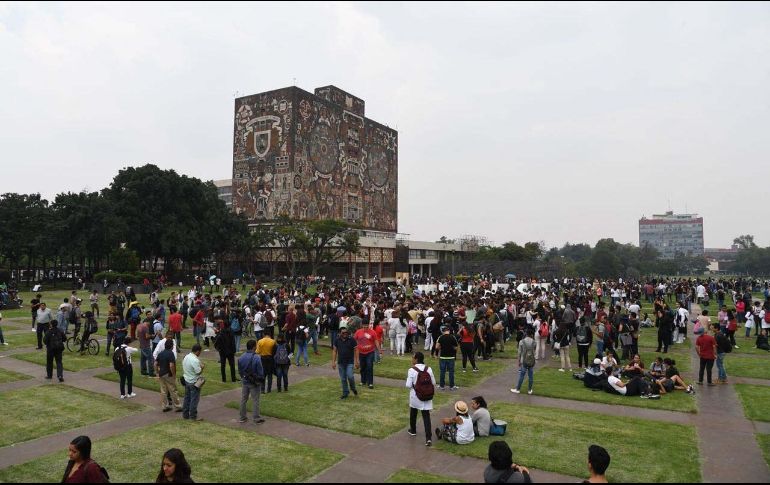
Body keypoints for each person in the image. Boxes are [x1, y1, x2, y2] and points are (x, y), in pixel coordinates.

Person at [406, 351, 436, 447]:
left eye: (413, 357)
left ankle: (413, 430)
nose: (412, 359)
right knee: (426, 416)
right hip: (427, 395)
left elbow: (408, 385)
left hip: (416, 396)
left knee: (413, 412)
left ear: (416, 359)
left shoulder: (412, 370)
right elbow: (434, 382)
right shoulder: (429, 368)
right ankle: (428, 438)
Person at [237, 339, 266, 424]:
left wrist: (244, 377)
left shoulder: (241, 357)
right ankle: (256, 418)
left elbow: (240, 370)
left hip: (245, 381)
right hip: (254, 383)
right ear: (254, 347)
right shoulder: (257, 357)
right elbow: (260, 372)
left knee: (243, 399)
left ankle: (242, 417)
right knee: (255, 400)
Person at [155, 339, 182, 412]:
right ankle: (178, 406)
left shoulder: (161, 353)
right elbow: (171, 365)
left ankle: (165, 406)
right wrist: (173, 375)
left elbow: (155, 364)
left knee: (163, 391)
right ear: (172, 346)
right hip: (168, 374)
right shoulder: (171, 354)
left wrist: (157, 373)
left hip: (161, 374)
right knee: (173, 390)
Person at [332, 327, 359, 399]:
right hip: (341, 362)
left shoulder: (352, 340)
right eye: (343, 333)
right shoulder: (337, 340)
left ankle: (353, 388)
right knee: (343, 379)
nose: (345, 334)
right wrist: (333, 362)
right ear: (339, 333)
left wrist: (357, 361)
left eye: (346, 332)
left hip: (350, 362)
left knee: (350, 376)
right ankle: (345, 392)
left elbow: (356, 350)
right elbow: (334, 351)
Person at [182, 344, 205, 421]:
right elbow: (198, 372)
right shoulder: (195, 360)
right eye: (200, 352)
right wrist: (202, 367)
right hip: (194, 382)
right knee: (194, 399)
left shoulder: (186, 356)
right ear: (197, 351)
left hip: (187, 380)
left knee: (187, 398)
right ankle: (193, 416)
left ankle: (185, 414)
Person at [354, 322, 379, 389]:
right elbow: (354, 340)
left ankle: (370, 383)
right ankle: (363, 381)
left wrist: (379, 350)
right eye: (364, 327)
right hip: (361, 352)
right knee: (363, 367)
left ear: (369, 326)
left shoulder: (372, 332)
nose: (365, 328)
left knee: (369, 366)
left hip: (370, 352)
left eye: (367, 327)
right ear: (362, 326)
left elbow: (376, 341)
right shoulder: (358, 332)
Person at [512, 329, 535, 395]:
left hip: (523, 360)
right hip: (531, 360)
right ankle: (529, 390)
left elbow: (519, 352)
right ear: (532, 335)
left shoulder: (521, 342)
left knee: (522, 375)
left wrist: (518, 361)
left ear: (526, 334)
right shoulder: (534, 342)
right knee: (531, 376)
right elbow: (534, 351)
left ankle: (518, 389)